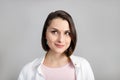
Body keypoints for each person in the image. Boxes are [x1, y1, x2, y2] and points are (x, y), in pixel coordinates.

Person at [18, 10, 95, 80]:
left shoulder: (83, 66)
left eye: (67, 33)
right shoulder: (28, 71)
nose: (61, 39)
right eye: (54, 32)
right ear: (45, 34)